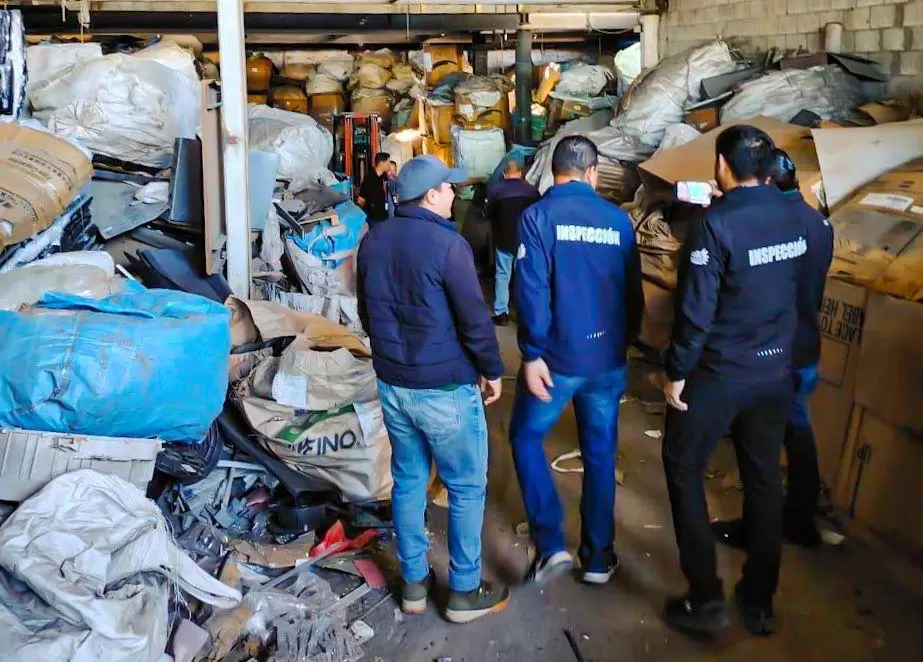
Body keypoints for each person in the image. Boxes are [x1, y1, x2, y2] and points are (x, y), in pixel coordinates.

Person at [660, 126, 809, 637]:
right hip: (775, 368)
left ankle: (705, 597)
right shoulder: (795, 214)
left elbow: (696, 313)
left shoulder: (713, 224)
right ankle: (759, 598)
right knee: (765, 476)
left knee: (682, 466)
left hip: (720, 371)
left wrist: (676, 372)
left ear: (722, 165)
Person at [357, 155, 509, 624]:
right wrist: (492, 368)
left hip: (394, 383)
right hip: (443, 386)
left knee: (408, 480)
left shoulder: (373, 240)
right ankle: (463, 590)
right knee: (465, 485)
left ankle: (415, 584)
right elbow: (474, 319)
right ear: (430, 195)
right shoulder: (449, 246)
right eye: (448, 189)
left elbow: (366, 311)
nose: (454, 195)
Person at [508, 136, 643, 586]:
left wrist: (531, 353)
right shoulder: (618, 221)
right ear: (593, 172)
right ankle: (599, 558)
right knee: (600, 452)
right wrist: (625, 344)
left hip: (557, 360)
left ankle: (550, 545)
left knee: (526, 436)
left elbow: (531, 291)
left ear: (554, 172)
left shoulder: (539, 217)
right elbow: (633, 294)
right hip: (607, 360)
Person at [711, 149, 834, 550]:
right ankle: (800, 519)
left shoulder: (770, 225)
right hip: (805, 345)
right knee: (798, 431)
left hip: (768, 351)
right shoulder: (819, 224)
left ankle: (758, 533)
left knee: (759, 449)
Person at [484, 160, 540, 326]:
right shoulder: (532, 191)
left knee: (502, 275)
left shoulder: (496, 191)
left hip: (503, 240)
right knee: (524, 276)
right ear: (521, 173)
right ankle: (525, 314)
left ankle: (501, 314)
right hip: (526, 241)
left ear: (505, 174)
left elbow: (487, 214)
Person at [357, 152, 391, 227]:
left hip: (384, 216)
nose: (389, 165)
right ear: (381, 163)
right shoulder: (370, 178)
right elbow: (361, 200)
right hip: (373, 219)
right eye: (388, 162)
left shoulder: (384, 176)